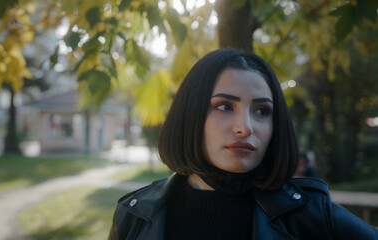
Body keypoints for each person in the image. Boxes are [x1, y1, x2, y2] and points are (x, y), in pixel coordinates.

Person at [109, 49, 378, 239]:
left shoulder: (310, 216)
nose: (245, 127)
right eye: (224, 106)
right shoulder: (133, 215)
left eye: (262, 111)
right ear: (190, 115)